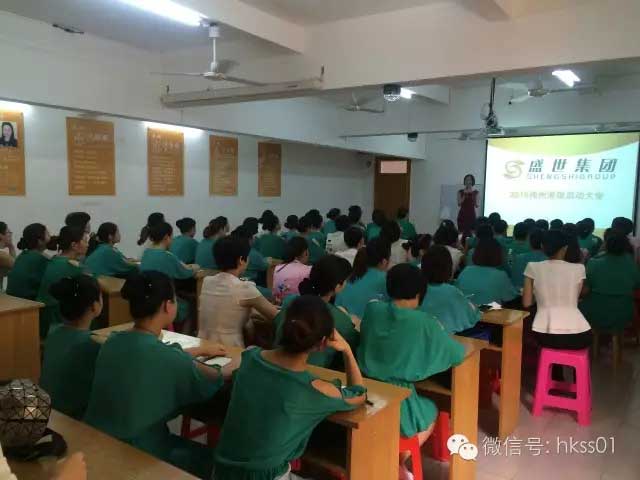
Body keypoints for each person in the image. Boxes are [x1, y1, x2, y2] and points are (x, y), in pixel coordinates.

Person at [84, 271, 226, 479]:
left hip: (99, 439)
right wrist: (230, 365)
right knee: (212, 461)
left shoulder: (112, 341)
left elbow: (160, 354)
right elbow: (212, 378)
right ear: (167, 306)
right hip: (139, 451)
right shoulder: (167, 357)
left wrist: (199, 350)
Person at [213, 295, 366, 480]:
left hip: (221, 471)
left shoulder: (249, 358)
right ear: (322, 344)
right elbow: (359, 394)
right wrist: (347, 350)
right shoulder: (315, 389)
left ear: (283, 327)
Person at [358, 264, 465, 480]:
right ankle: (395, 461)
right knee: (432, 409)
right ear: (419, 293)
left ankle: (388, 458)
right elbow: (456, 354)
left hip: (366, 391)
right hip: (400, 400)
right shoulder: (424, 322)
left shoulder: (372, 310)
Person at [273, 255, 359, 369]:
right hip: (310, 373)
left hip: (275, 363)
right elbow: (353, 344)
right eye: (345, 281)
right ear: (338, 286)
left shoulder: (290, 301)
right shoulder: (341, 319)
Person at [40, 276, 102, 420]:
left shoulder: (53, 332)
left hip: (48, 411)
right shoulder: (92, 344)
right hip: (73, 418)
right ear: (94, 306)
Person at [199, 235, 278, 346]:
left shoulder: (207, 282)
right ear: (241, 260)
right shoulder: (244, 288)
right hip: (229, 350)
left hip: (203, 346)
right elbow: (276, 315)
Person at [523, 230, 592, 350]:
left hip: (543, 333)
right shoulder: (579, 268)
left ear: (542, 247)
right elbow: (573, 299)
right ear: (565, 248)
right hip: (578, 334)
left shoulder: (532, 267)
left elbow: (527, 303)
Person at [580, 231, 640, 332]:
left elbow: (585, 290)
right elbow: (636, 285)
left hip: (595, 312)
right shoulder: (632, 264)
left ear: (606, 245)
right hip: (624, 313)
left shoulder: (594, 262)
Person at [140, 222, 197, 326]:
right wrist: (194, 268)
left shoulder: (146, 253)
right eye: (171, 237)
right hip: (164, 300)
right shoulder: (167, 256)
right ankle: (185, 334)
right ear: (166, 237)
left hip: (148, 297)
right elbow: (186, 273)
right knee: (191, 305)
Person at [36, 227, 89, 338]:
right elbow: (92, 281)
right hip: (56, 319)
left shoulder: (55, 259)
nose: (87, 244)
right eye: (85, 241)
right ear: (74, 245)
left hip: (43, 317)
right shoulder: (72, 266)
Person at [420, 246, 481, 333]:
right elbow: (472, 316)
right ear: (448, 267)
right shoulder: (451, 291)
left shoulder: (416, 290)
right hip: (447, 338)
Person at [336, 237, 390, 318]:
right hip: (368, 324)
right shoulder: (387, 280)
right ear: (384, 261)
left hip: (342, 322)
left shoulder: (350, 277)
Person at [456, 238, 518, 306]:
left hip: (465, 310)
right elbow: (510, 297)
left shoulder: (465, 271)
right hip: (489, 311)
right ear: (498, 255)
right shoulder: (500, 275)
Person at [6, 223, 50, 300]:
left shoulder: (23, 255)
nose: (51, 237)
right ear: (40, 241)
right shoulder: (40, 259)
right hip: (29, 302)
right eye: (48, 234)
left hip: (12, 299)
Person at [272, 237, 311, 301]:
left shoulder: (277, 268)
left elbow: (275, 294)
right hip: (301, 305)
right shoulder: (309, 271)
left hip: (280, 304)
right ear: (305, 252)